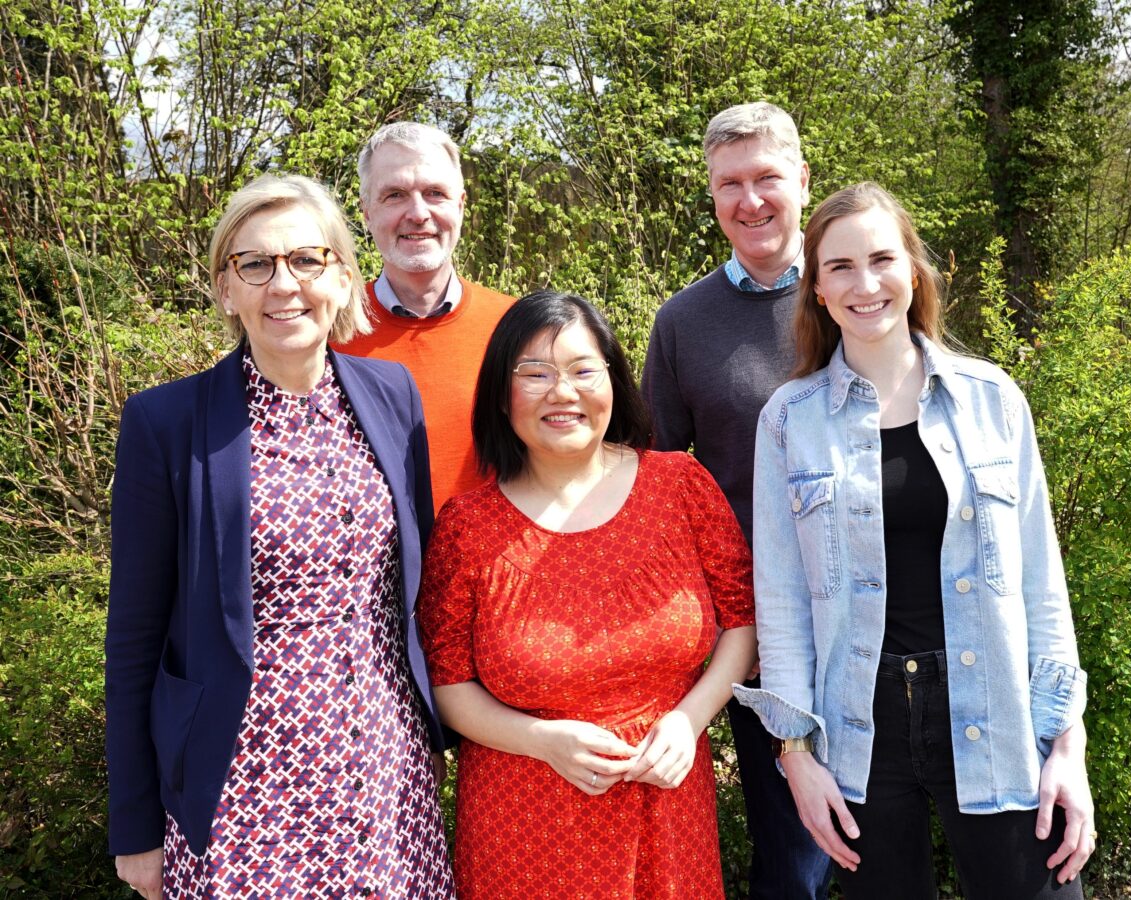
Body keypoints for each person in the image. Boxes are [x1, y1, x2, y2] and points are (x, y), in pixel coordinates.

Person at [734, 182, 1095, 898]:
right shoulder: (788, 421)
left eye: (881, 259)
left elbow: (1040, 585)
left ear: (914, 271)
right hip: (858, 730)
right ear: (816, 290)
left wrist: (1067, 744)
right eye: (839, 267)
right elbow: (781, 603)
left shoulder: (995, 400)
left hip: (998, 716)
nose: (864, 284)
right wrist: (796, 757)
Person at [105, 174, 454, 899]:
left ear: (343, 275)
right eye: (255, 264)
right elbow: (134, 638)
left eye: (306, 259)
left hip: (384, 769)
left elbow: (414, 586)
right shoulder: (165, 424)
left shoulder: (393, 396)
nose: (283, 284)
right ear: (226, 289)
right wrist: (135, 825)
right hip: (244, 778)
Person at [417, 290, 758, 898]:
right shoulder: (467, 528)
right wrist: (544, 742)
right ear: (501, 394)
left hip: (669, 811)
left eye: (581, 370)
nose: (562, 392)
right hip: (523, 824)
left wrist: (690, 719)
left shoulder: (679, 486)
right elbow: (447, 685)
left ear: (614, 380)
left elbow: (742, 620)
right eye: (536, 374)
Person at [641, 100, 831, 898]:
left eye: (766, 178)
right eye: (730, 184)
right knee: (791, 845)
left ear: (803, 179)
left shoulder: (856, 294)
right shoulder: (684, 322)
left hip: (889, 615)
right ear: (712, 197)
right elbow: (653, 484)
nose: (750, 201)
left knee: (886, 819)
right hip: (765, 626)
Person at [339, 121, 514, 512]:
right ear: (366, 212)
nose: (418, 214)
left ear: (461, 205)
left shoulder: (517, 328)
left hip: (492, 568)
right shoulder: (329, 332)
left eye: (435, 193)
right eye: (395, 195)